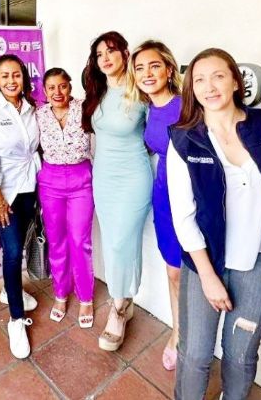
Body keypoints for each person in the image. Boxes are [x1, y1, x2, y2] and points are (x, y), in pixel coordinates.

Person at [167, 48, 261, 400]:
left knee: (240, 354)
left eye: (218, 76)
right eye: (199, 80)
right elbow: (183, 215)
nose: (210, 86)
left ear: (236, 80)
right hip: (206, 260)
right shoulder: (185, 138)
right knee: (195, 353)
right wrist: (207, 276)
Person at [82, 31, 153, 352]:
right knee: (113, 242)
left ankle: (119, 307)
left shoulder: (140, 90)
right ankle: (125, 298)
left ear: (125, 53)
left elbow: (158, 137)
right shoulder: (96, 92)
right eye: (99, 54)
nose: (105, 58)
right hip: (103, 177)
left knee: (123, 240)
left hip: (134, 176)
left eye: (111, 51)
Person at [0, 54, 41, 359]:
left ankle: (8, 289)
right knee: (13, 250)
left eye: (15, 75)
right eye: (4, 76)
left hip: (31, 186)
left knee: (24, 245)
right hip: (4, 193)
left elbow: (35, 149)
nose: (10, 81)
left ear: (24, 77)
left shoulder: (32, 108)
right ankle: (16, 320)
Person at [127, 40, 183, 370]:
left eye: (154, 66)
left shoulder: (188, 105)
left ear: (169, 69)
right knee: (173, 270)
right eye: (140, 68)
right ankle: (178, 332)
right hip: (163, 191)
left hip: (189, 192)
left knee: (198, 268)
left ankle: (199, 337)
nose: (147, 73)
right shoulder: (148, 109)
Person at [35, 68, 95, 328]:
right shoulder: (38, 115)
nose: (57, 92)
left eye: (62, 86)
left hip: (82, 179)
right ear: (44, 90)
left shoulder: (86, 109)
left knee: (80, 240)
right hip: (50, 180)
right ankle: (60, 293)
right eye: (51, 88)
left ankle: (86, 297)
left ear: (70, 87)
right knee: (57, 240)